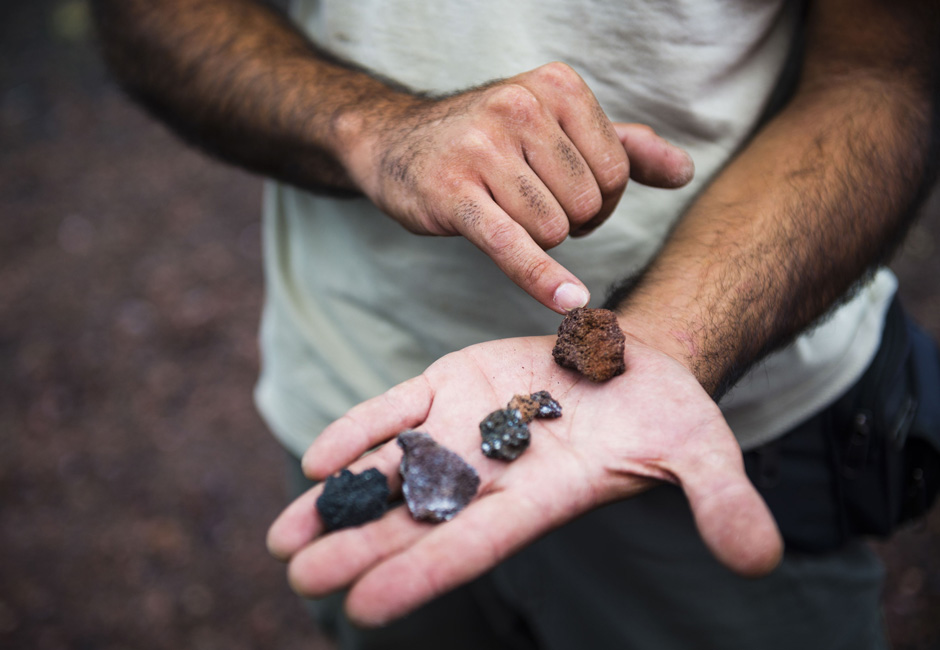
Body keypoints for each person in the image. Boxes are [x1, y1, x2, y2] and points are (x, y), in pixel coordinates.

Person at [91, 0, 939, 648]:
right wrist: (370, 126)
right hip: (355, 393)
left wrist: (667, 346)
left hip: (734, 431)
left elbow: (882, 73)